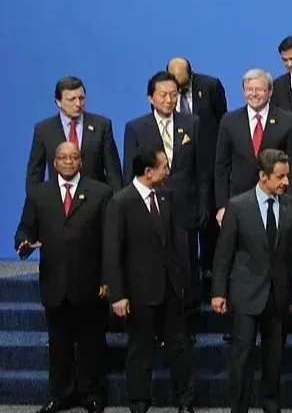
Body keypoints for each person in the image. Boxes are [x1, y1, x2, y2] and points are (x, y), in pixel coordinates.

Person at [16, 141, 113, 413]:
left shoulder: (100, 193)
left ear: (81, 161)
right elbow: (25, 229)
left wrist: (108, 279)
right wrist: (23, 243)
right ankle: (60, 394)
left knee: (91, 342)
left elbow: (109, 240)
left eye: (74, 157)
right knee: (58, 344)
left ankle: (90, 393)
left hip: (91, 282)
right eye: (63, 157)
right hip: (55, 281)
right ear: (54, 163)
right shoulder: (39, 194)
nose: (69, 162)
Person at [211, 149, 292, 413]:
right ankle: (239, 407)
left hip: (278, 295)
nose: (286, 182)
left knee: (274, 356)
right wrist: (218, 292)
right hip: (245, 294)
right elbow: (224, 253)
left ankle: (270, 403)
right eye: (280, 177)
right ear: (263, 177)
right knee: (242, 357)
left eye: (287, 176)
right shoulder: (238, 206)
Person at [103, 146, 196, 413]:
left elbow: (173, 246)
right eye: (164, 166)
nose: (168, 171)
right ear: (148, 171)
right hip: (138, 292)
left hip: (169, 289)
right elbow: (113, 252)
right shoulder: (120, 202)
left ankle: (186, 400)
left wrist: (181, 285)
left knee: (180, 348)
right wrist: (118, 295)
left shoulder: (165, 197)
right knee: (139, 351)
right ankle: (139, 402)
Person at [123, 71, 208, 340]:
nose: (169, 100)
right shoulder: (136, 127)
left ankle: (186, 326)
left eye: (174, 94)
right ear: (151, 97)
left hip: (184, 209)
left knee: (185, 267)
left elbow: (201, 171)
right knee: (154, 269)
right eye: (163, 94)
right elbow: (130, 173)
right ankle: (157, 329)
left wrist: (203, 205)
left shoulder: (192, 123)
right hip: (150, 210)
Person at [167, 57, 228, 279]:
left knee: (210, 224)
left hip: (208, 166)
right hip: (182, 169)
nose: (176, 91)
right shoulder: (163, 91)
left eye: (182, 86)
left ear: (191, 76)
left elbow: (223, 122)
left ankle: (211, 273)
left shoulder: (210, 86)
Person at [214, 69, 292, 223]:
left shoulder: (287, 120)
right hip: (238, 201)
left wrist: (291, 204)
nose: (253, 94)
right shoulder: (229, 121)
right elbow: (221, 167)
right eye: (249, 89)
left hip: (276, 199)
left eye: (259, 89)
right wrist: (222, 205)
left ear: (270, 91)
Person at [27, 76, 122, 190]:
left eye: (81, 98)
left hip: (96, 201)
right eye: (72, 99)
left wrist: (116, 204)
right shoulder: (44, 130)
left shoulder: (101, 125)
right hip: (59, 202)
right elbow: (35, 174)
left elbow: (113, 172)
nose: (78, 104)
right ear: (58, 102)